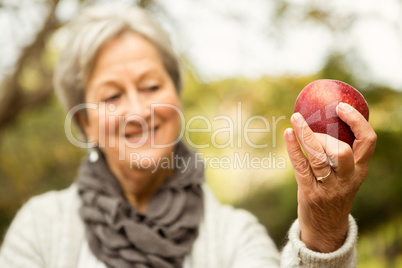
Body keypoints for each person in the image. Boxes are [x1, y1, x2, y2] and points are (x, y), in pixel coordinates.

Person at [0, 3, 377, 268]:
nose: (137, 110)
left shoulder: (235, 237)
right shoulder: (41, 227)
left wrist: (322, 226)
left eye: (150, 86)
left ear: (176, 96)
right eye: (112, 96)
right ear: (85, 124)